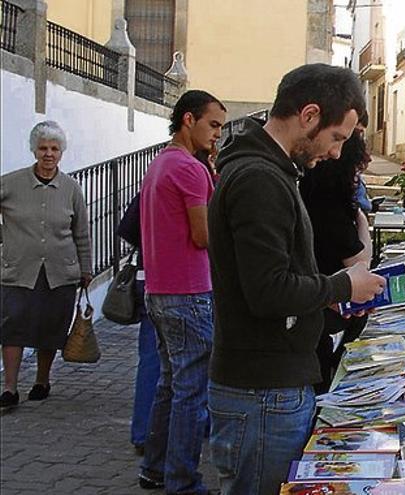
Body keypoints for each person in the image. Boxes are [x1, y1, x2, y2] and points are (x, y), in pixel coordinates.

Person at [207, 63, 386, 495]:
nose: (336, 152)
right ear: (309, 116)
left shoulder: (270, 171)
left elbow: (275, 275)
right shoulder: (260, 179)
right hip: (263, 391)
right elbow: (267, 291)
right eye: (336, 137)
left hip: (268, 386)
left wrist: (323, 293)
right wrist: (342, 286)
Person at [138, 90, 227, 494]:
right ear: (188, 120)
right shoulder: (190, 169)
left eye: (221, 128)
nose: (217, 135)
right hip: (188, 291)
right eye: (213, 125)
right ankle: (183, 481)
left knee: (171, 384)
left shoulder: (159, 164)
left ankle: (156, 468)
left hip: (159, 290)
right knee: (191, 391)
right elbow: (203, 233)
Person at [0, 121, 92, 409]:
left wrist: (86, 269)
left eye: (54, 148)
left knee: (50, 329)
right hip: (18, 269)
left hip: (60, 271)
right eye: (43, 148)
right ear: (34, 150)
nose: (48, 154)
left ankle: (42, 380)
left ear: (61, 152)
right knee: (12, 327)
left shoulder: (71, 188)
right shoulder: (11, 183)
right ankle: (10, 387)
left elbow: (82, 231)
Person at [299, 129, 373, 394]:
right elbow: (360, 261)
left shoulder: (311, 195)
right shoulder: (330, 208)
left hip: (321, 311)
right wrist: (362, 220)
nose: (357, 179)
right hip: (324, 315)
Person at [116, 193, 159, 456]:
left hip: (149, 276)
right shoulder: (193, 179)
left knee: (151, 360)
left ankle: (144, 432)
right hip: (174, 282)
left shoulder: (153, 181)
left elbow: (127, 229)